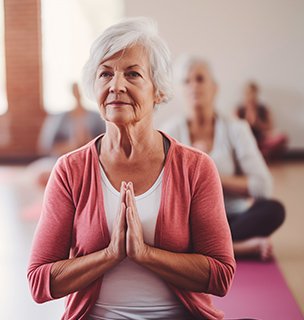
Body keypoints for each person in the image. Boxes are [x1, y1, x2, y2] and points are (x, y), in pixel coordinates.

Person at [28, 18, 235, 320]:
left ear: (158, 92)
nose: (116, 85)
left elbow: (220, 276)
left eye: (133, 74)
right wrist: (110, 255)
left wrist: (145, 254)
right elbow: (39, 282)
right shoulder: (69, 170)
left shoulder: (196, 168)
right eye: (105, 74)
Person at [160, 56, 285, 261]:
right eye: (186, 81)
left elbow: (263, 187)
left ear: (214, 87)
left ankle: (206, 249)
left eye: (200, 79)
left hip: (232, 219)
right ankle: (238, 248)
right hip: (189, 221)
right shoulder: (168, 132)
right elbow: (164, 190)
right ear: (180, 90)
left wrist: (207, 172)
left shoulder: (237, 128)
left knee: (274, 210)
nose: (193, 86)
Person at [30, 82, 105, 188]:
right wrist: (70, 147)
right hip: (62, 160)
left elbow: (107, 144)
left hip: (91, 160)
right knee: (40, 175)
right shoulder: (59, 118)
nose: (77, 94)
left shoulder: (97, 117)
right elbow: (46, 146)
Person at [235, 81, 288, 161]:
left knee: (282, 137)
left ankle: (258, 154)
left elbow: (270, 127)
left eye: (252, 93)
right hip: (246, 140)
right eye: (248, 93)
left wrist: (258, 123)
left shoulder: (263, 109)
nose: (250, 96)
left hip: (261, 139)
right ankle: (259, 155)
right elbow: (234, 129)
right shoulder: (238, 110)